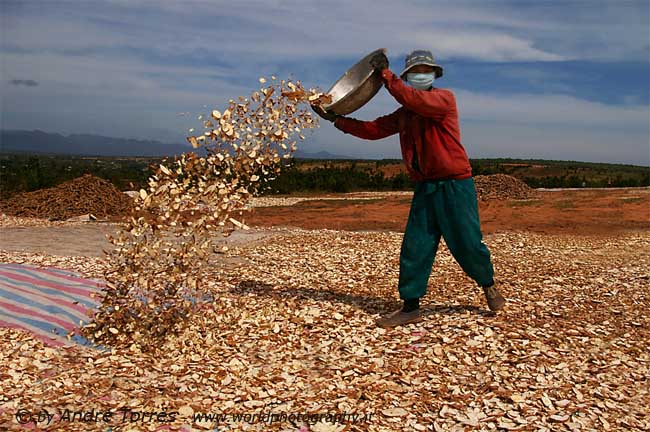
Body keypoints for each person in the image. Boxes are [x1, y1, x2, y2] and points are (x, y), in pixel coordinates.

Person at [311, 49, 506, 328]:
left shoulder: (443, 100)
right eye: (416, 72)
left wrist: (387, 77)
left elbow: (413, 99)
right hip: (425, 187)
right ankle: (410, 306)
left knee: (467, 243)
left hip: (455, 184)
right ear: (408, 76)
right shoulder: (405, 114)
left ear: (434, 75)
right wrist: (337, 120)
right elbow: (372, 129)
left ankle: (488, 285)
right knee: (416, 245)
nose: (421, 75)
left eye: (426, 71)